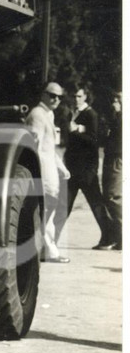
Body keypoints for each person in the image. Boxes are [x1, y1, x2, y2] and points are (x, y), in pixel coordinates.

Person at [59, 84, 110, 248]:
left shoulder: (91, 114)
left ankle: (110, 237)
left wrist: (77, 130)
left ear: (86, 97)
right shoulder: (72, 113)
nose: (76, 99)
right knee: (65, 204)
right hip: (73, 167)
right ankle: (50, 240)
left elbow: (94, 140)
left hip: (87, 168)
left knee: (95, 204)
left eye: (79, 96)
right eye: (74, 96)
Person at [26, 81, 70, 262]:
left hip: (51, 172)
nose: (56, 99)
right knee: (45, 212)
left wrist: (62, 168)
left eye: (59, 97)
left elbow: (50, 148)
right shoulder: (37, 115)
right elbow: (34, 146)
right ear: (43, 94)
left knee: (48, 213)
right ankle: (49, 252)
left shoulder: (48, 114)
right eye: (52, 95)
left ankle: (48, 251)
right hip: (43, 174)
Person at [98, 91, 122, 251]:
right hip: (111, 157)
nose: (114, 102)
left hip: (117, 158)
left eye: (117, 100)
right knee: (109, 196)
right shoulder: (117, 117)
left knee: (113, 196)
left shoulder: (122, 118)